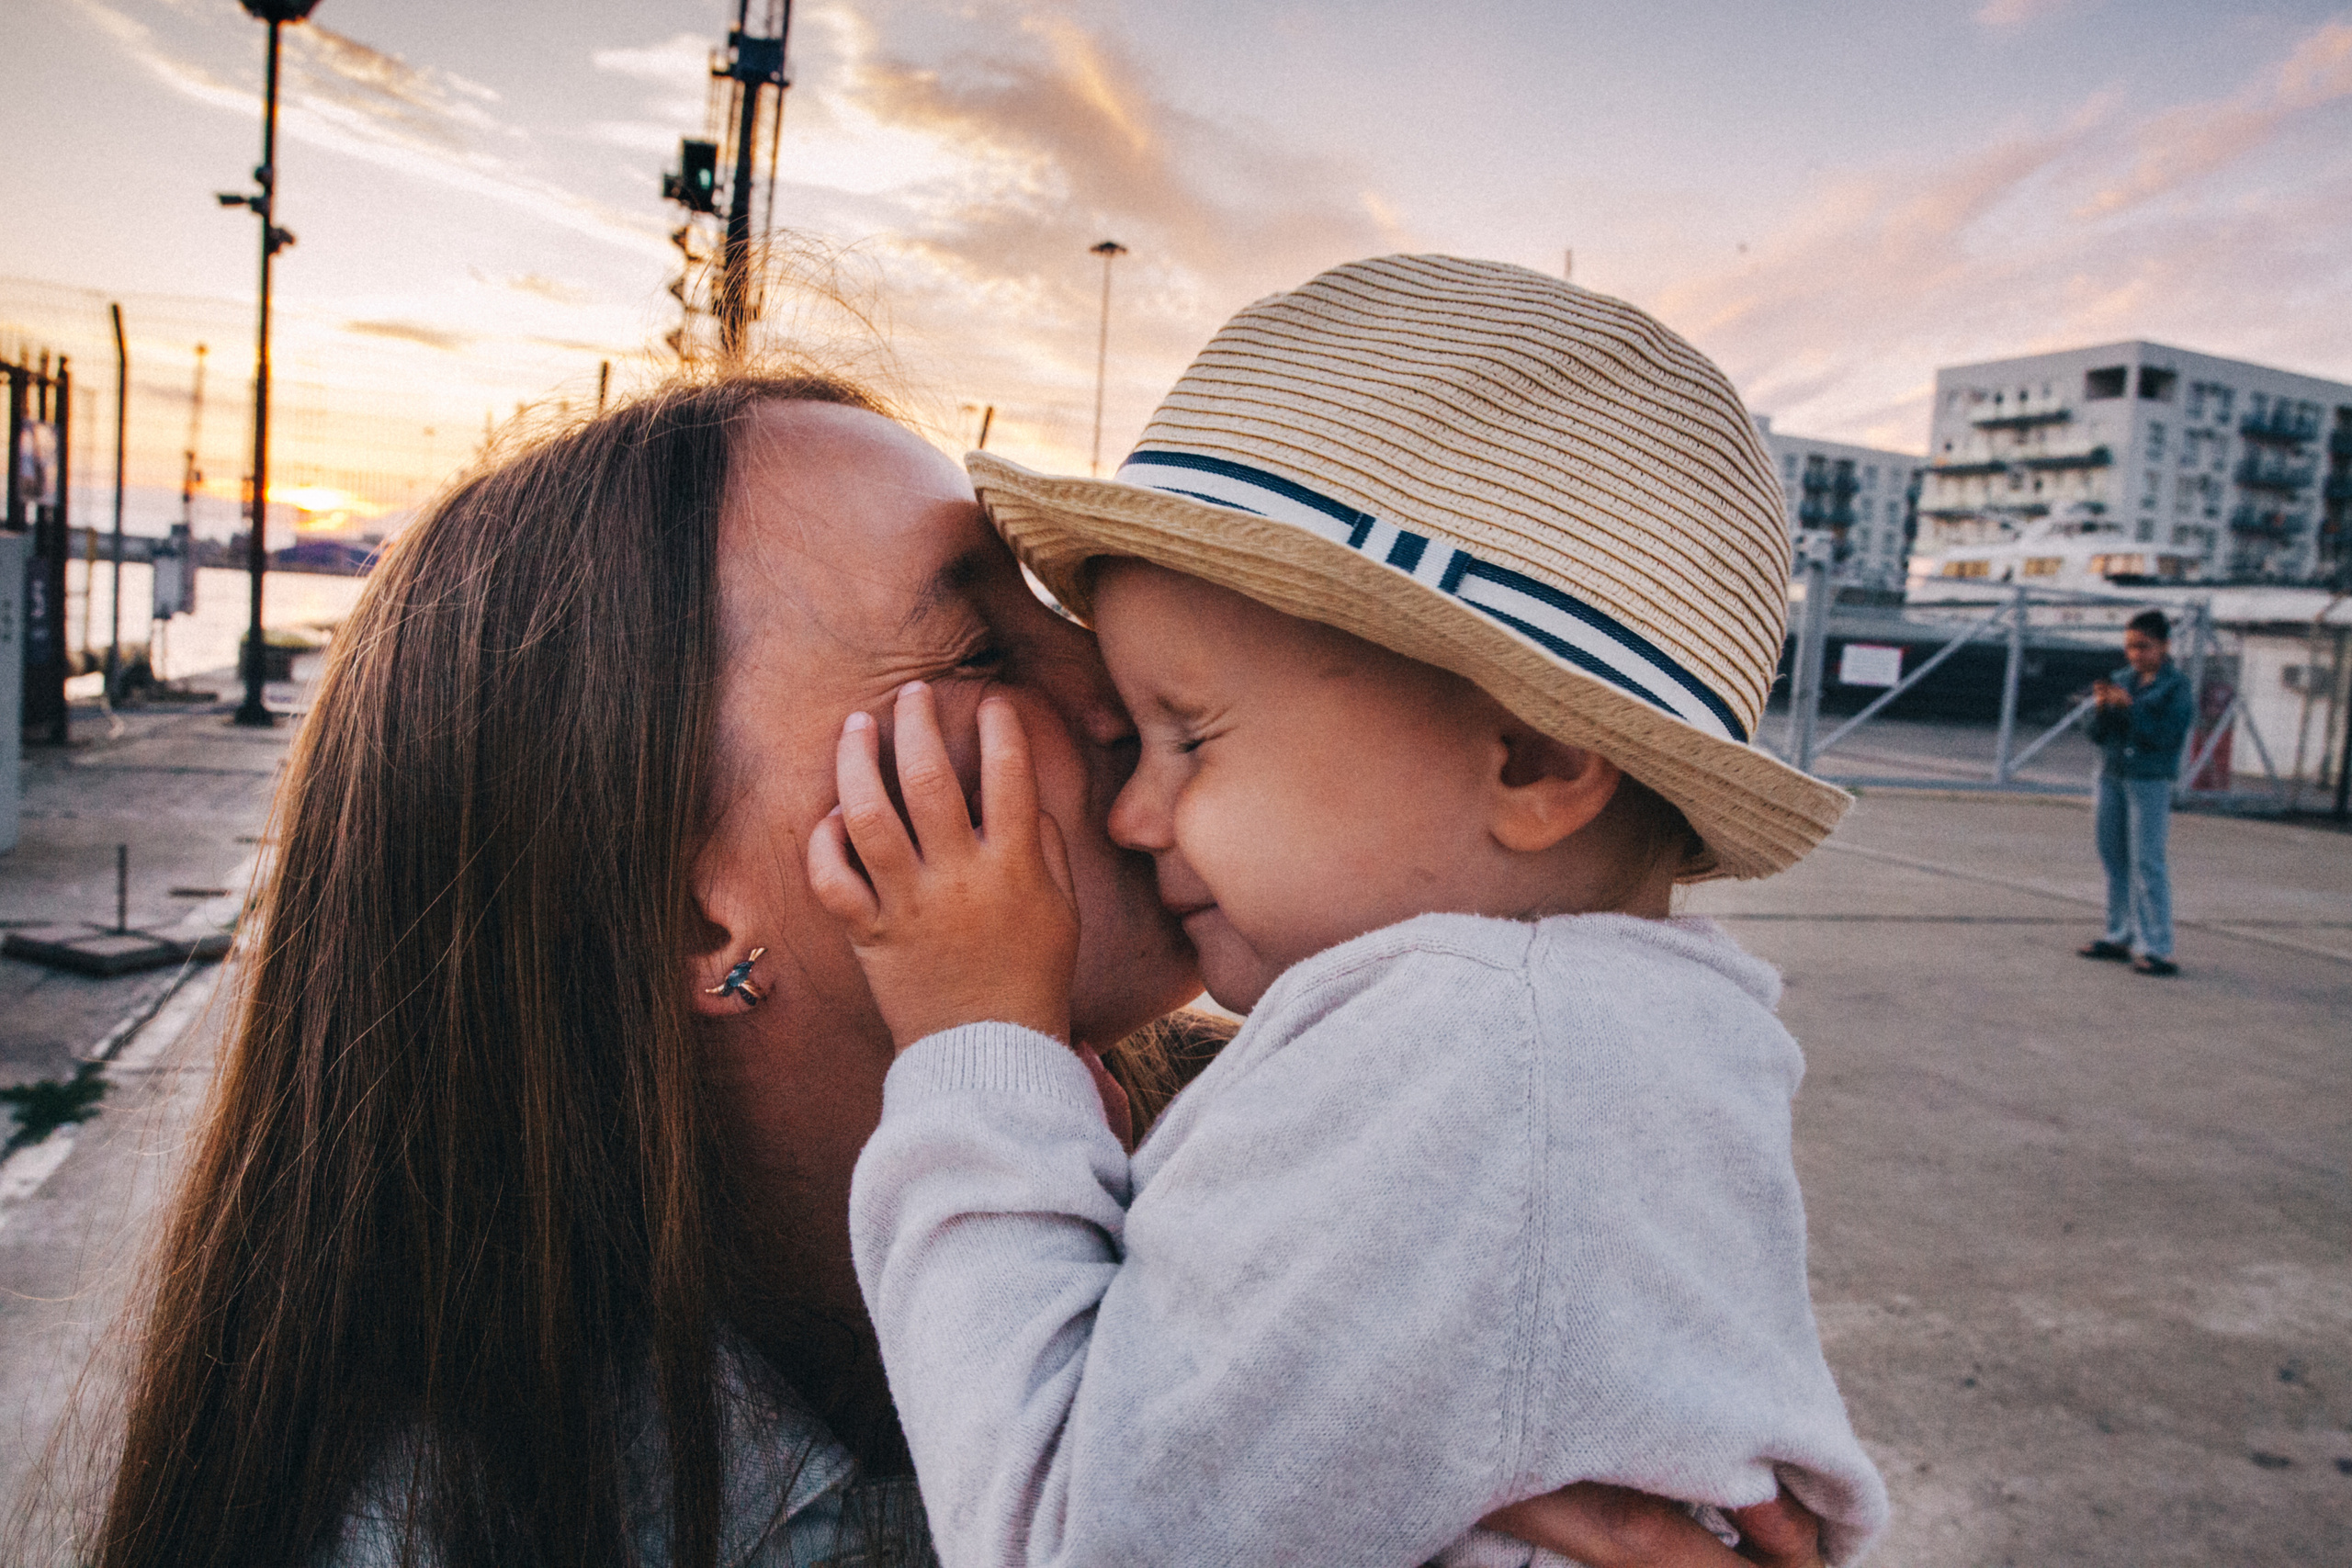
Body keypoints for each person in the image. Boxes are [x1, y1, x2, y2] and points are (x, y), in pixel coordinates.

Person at [86, 364, 1829, 1568]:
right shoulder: (441, 1528)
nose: (1115, 691)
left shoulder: (1353, 1160)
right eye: (983, 644)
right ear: (688, 911)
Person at [814, 257, 1887, 1568]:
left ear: (1536, 761)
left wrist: (976, 1045)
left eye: (1187, 735)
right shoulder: (1613, 1043)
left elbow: (1069, 1535)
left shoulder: (1471, 1057)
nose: (1136, 811)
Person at [2079, 608, 2193, 976]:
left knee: (2147, 861)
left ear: (2164, 646)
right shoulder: (2121, 680)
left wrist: (2130, 711)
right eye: (2130, 646)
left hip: (2148, 779)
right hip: (2112, 774)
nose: (2135, 654)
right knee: (2114, 858)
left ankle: (2158, 947)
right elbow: (2095, 734)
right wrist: (2102, 709)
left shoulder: (2176, 688)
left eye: (2144, 646)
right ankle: (2120, 934)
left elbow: (2165, 736)